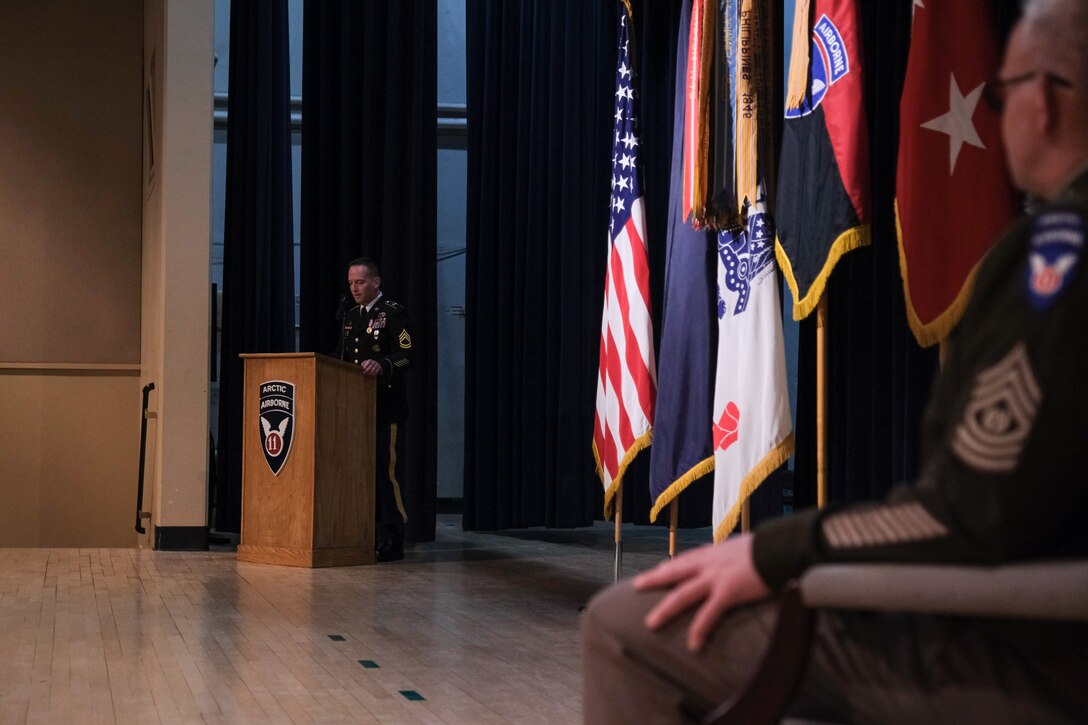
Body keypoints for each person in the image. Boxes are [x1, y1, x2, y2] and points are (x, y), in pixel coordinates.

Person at [581, 0, 1088, 721]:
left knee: (626, 626)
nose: (993, 114)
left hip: (1023, 644)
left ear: (1042, 104)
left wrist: (777, 551)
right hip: (1026, 602)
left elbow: (972, 513)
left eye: (999, 95)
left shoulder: (1056, 262)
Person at [339, 257, 412, 562]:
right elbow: (343, 358)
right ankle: (362, 533)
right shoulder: (352, 316)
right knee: (360, 473)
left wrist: (383, 364)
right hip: (356, 409)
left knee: (385, 473)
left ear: (376, 282)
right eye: (352, 282)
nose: (355, 288)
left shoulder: (393, 313)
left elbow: (408, 355)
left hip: (385, 407)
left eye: (361, 282)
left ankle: (393, 537)